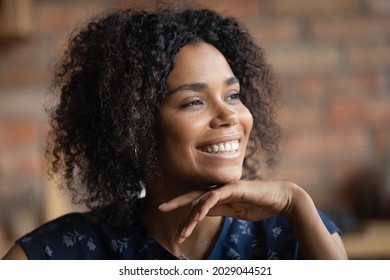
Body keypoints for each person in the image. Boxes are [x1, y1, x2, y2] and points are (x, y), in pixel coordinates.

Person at [2, 7, 347, 260]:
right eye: (194, 102)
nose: (229, 115)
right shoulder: (62, 253)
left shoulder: (295, 230)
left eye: (232, 95)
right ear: (134, 127)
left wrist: (295, 201)